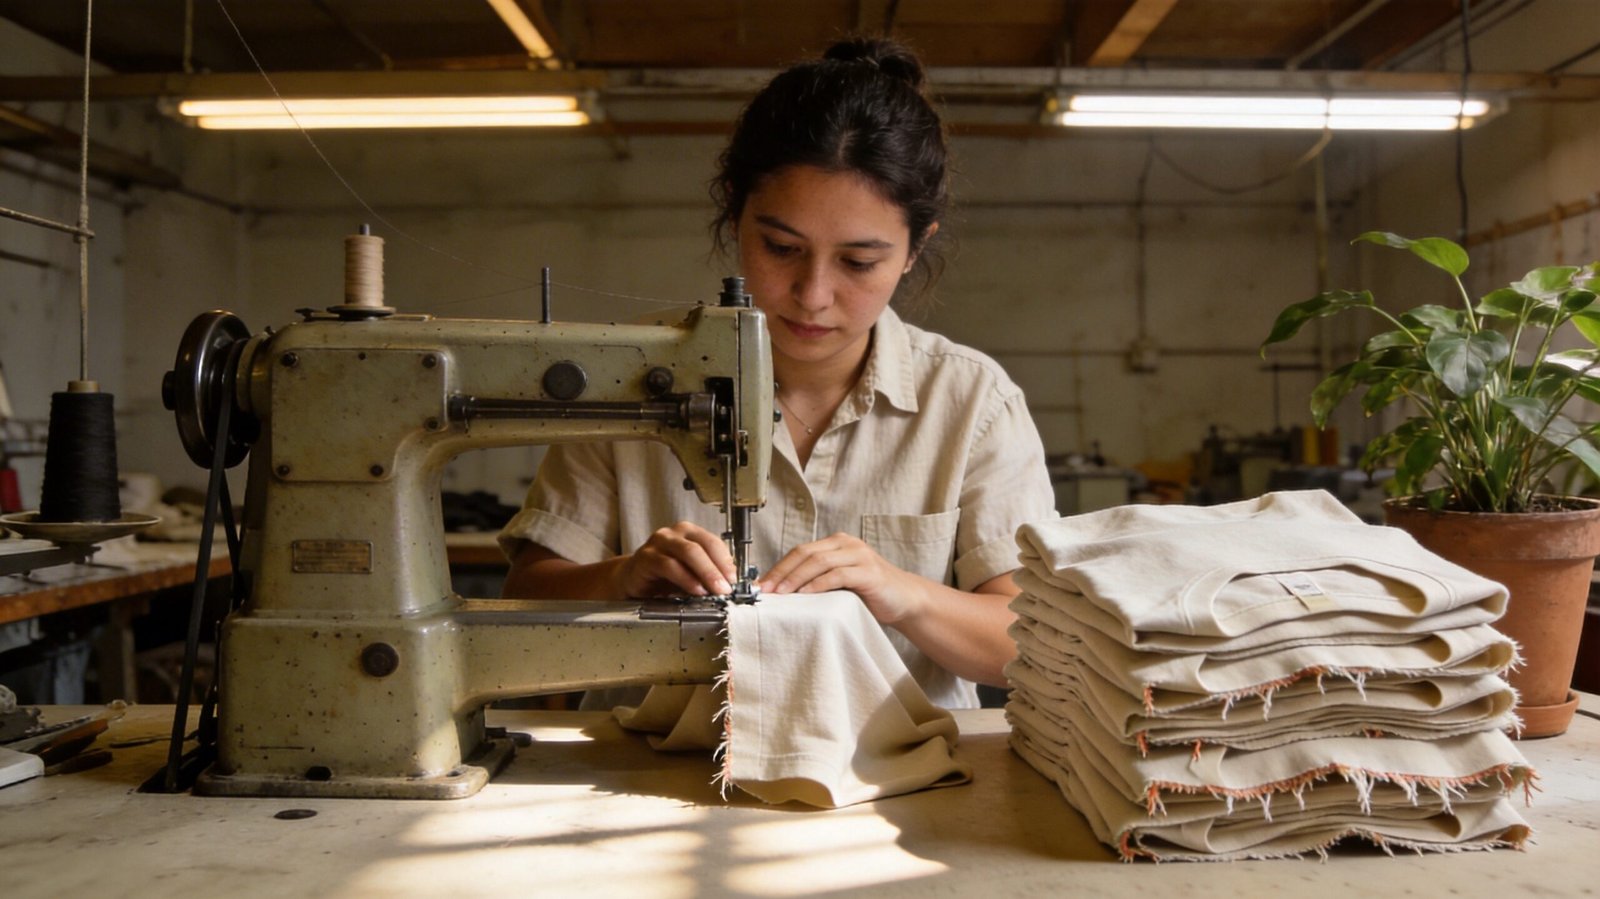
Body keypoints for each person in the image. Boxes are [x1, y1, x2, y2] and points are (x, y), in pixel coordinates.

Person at [499, 36, 1056, 708]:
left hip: (906, 786)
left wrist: (904, 594)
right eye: (782, 247)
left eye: (858, 262)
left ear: (915, 250)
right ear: (736, 212)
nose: (813, 293)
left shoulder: (971, 402)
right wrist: (625, 574)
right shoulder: (633, 377)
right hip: (654, 768)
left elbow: (1030, 642)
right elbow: (527, 598)